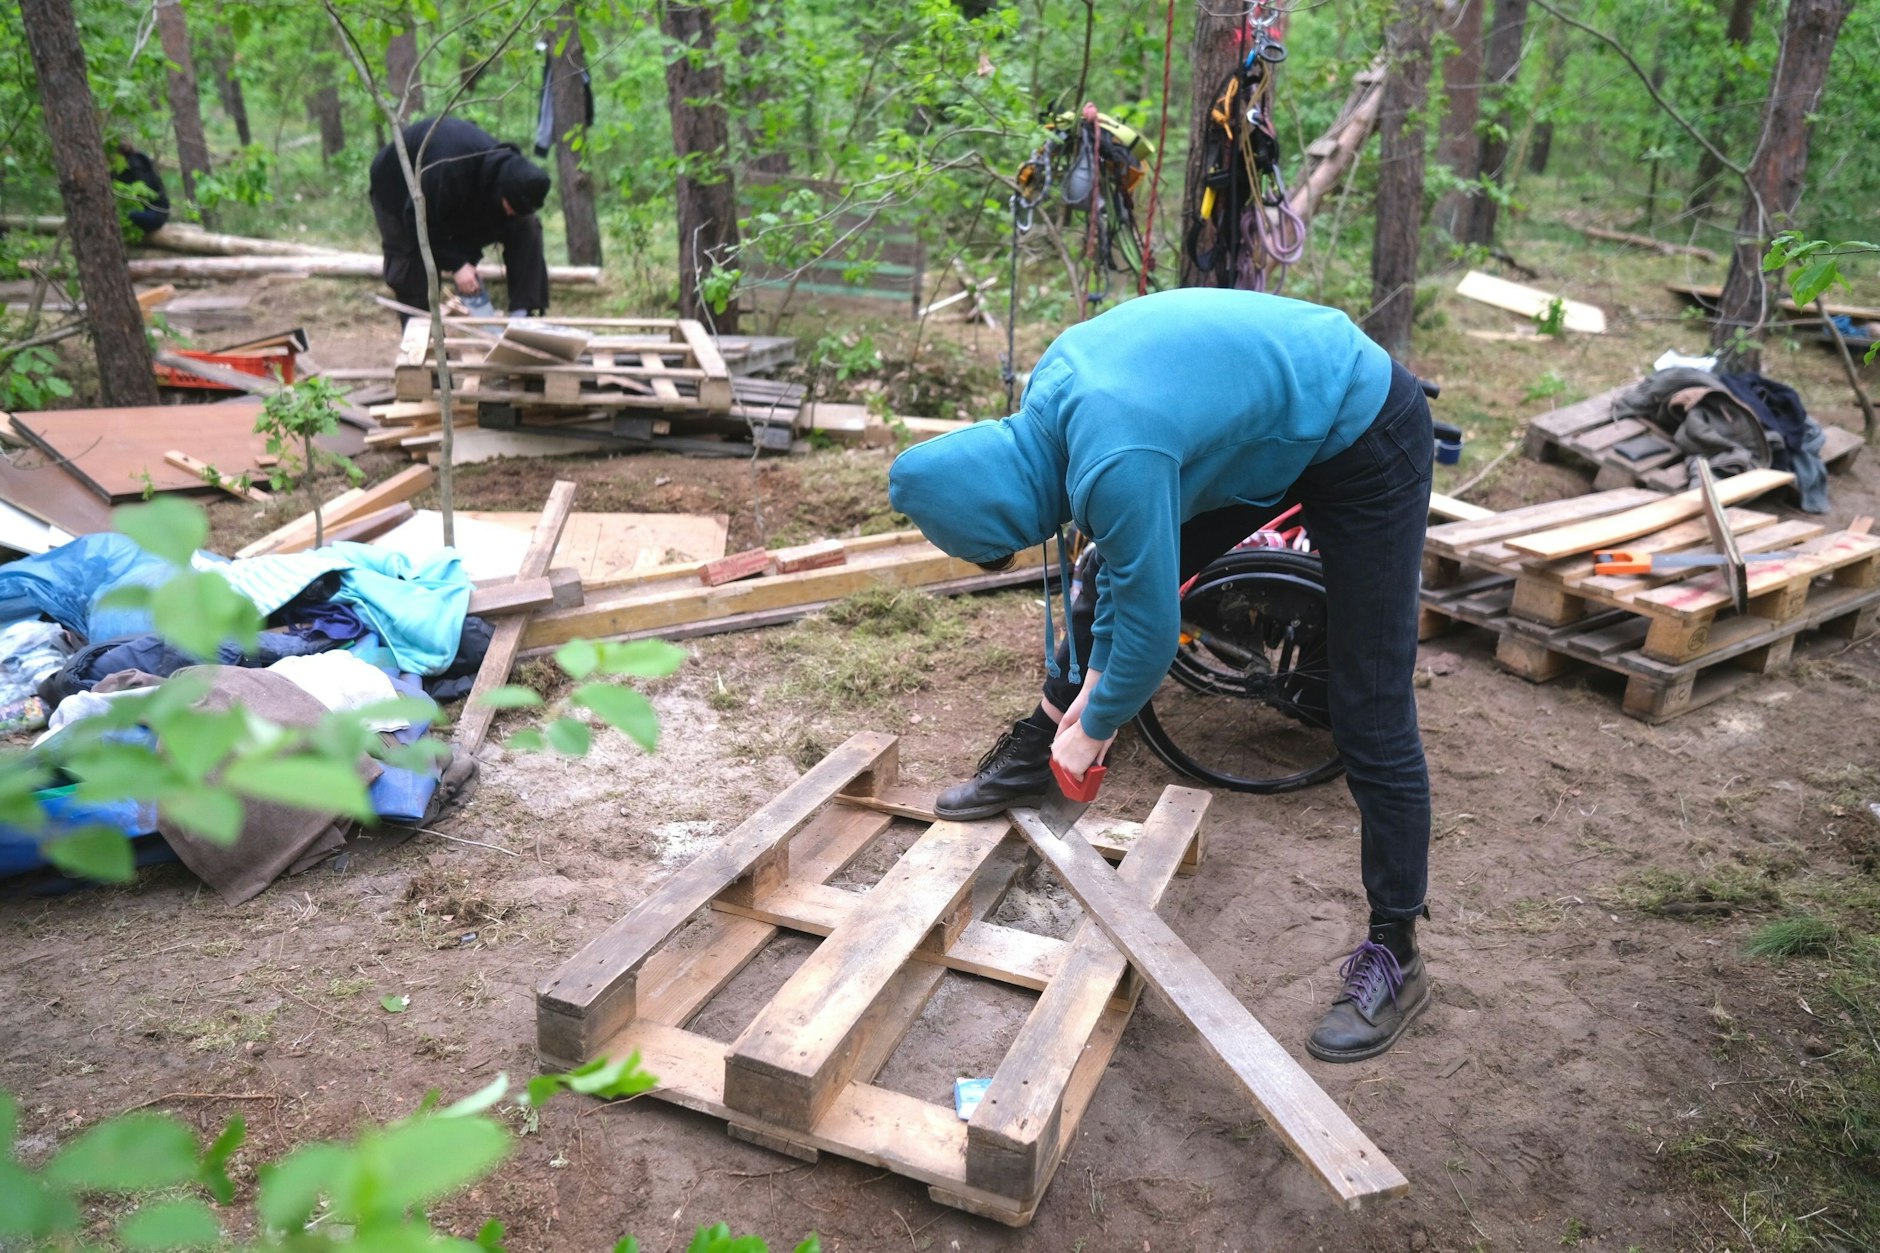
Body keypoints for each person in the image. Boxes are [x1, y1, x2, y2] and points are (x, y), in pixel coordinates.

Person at [887, 288, 1435, 1063]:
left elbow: (1148, 635)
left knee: (1369, 706)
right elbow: (1121, 565)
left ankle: (1397, 952)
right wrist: (1091, 691)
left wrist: (1098, 724)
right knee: (1096, 572)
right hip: (1275, 428)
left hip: (1364, 426)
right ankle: (1040, 752)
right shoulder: (1050, 403)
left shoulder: (1113, 458)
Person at [367, 117, 552, 317]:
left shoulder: (506, 172)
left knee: (526, 225)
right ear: (503, 190)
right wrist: (458, 265)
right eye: (511, 207)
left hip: (454, 198)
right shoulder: (449, 168)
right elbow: (418, 219)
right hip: (397, 192)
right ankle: (423, 329)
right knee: (413, 266)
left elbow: (479, 221)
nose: (511, 213)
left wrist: (468, 260)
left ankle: (522, 315)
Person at [110, 141, 170, 237]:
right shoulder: (140, 163)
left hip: (155, 214)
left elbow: (143, 190)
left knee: (122, 216)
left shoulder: (136, 166)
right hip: (159, 213)